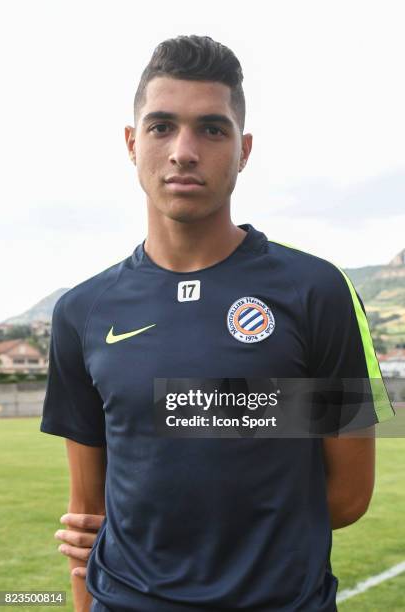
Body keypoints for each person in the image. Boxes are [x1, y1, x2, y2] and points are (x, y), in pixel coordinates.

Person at [40, 34, 395, 612]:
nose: (184, 150)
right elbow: (88, 517)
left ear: (244, 149)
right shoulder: (81, 311)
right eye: (161, 127)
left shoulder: (319, 290)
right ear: (132, 143)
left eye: (211, 128)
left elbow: (349, 496)